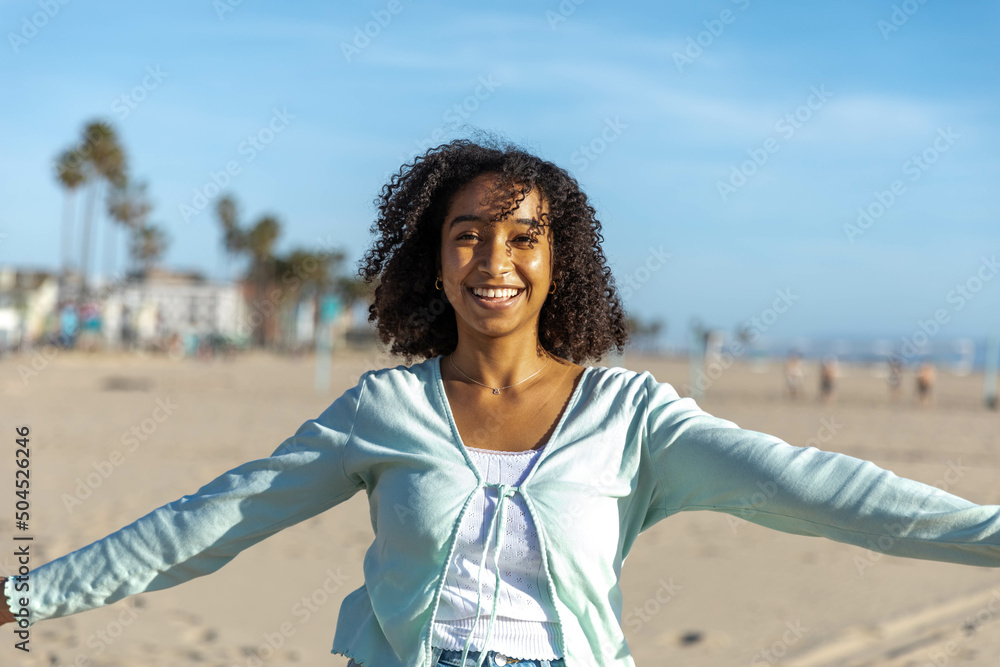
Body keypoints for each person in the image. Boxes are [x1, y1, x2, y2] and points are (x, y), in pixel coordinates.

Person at [3, 138, 1000, 667]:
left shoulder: (632, 417)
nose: (495, 258)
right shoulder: (383, 409)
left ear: (558, 264)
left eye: (522, 236)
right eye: (469, 235)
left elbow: (832, 491)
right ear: (432, 264)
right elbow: (213, 520)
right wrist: (24, 595)